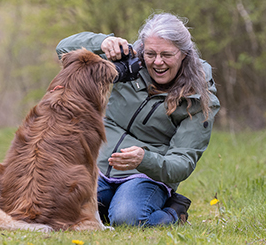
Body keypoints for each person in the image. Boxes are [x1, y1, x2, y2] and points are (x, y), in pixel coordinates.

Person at [55, 12, 220, 227]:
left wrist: (145, 160)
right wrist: (102, 42)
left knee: (127, 218)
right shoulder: (130, 61)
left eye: (166, 55)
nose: (157, 62)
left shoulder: (200, 97)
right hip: (99, 166)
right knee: (57, 206)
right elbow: (64, 50)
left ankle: (174, 213)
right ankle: (106, 205)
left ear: (183, 54)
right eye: (150, 53)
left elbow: (183, 162)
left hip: (145, 176)